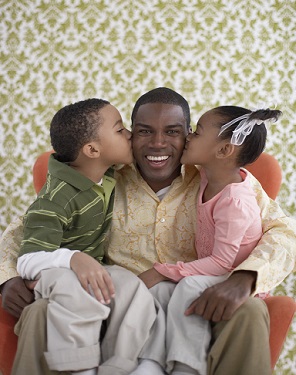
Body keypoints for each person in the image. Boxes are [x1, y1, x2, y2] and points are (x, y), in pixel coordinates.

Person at [0, 88, 295, 375]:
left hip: (193, 308)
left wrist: (246, 278)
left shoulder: (224, 180)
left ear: (188, 135)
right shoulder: (100, 178)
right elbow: (27, 228)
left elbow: (283, 232)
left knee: (252, 311)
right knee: (39, 312)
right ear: (129, 134)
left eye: (172, 131)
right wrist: (8, 277)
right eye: (144, 131)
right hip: (113, 307)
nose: (157, 143)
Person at [11, 98, 166, 375]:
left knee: (130, 286)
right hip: (54, 272)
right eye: (120, 130)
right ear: (93, 149)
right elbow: (28, 260)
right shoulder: (55, 198)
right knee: (73, 291)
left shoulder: (105, 173)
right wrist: (74, 259)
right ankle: (79, 367)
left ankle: (122, 365)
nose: (129, 135)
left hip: (92, 270)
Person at [151, 106, 282, 374]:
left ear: (223, 151)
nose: (188, 136)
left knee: (186, 287)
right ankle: (151, 362)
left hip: (229, 275)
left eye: (196, 132)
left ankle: (188, 365)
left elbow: (223, 262)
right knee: (164, 291)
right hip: (213, 271)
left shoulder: (236, 200)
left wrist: (164, 271)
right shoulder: (206, 176)